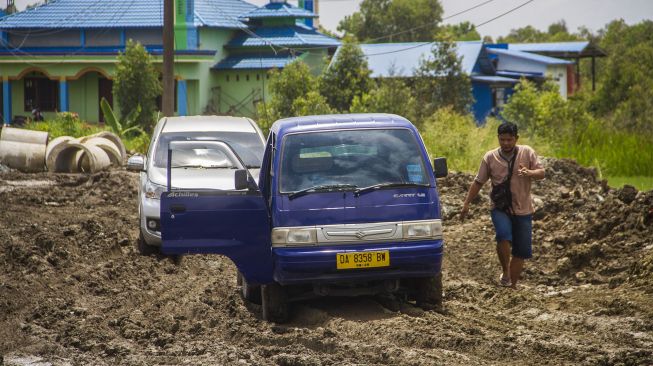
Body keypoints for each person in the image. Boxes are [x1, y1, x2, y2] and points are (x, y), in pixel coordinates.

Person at [460, 122, 545, 289]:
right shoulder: (490, 157)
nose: (506, 143)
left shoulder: (527, 152)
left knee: (521, 251)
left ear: (516, 139)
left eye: (509, 140)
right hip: (500, 207)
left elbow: (541, 173)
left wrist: (529, 172)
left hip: (523, 208)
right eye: (502, 140)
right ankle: (505, 271)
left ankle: (510, 287)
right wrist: (466, 204)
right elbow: (479, 182)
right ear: (498, 138)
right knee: (503, 235)